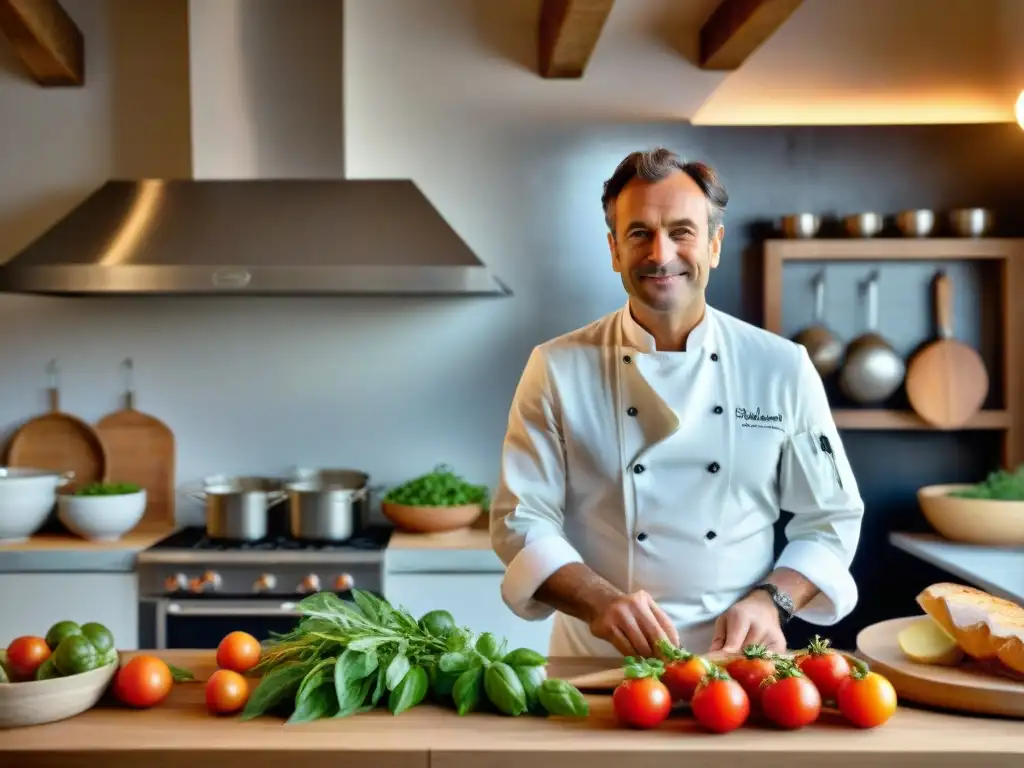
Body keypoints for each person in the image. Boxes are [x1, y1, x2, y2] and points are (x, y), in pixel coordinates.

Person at [489, 147, 865, 659]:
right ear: (614, 250)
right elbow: (520, 519)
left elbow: (832, 517)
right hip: (598, 665)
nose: (660, 254)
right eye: (639, 233)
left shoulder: (781, 366)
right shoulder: (556, 367)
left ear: (714, 244)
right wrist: (599, 601)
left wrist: (772, 601)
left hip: (739, 664)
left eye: (682, 232)